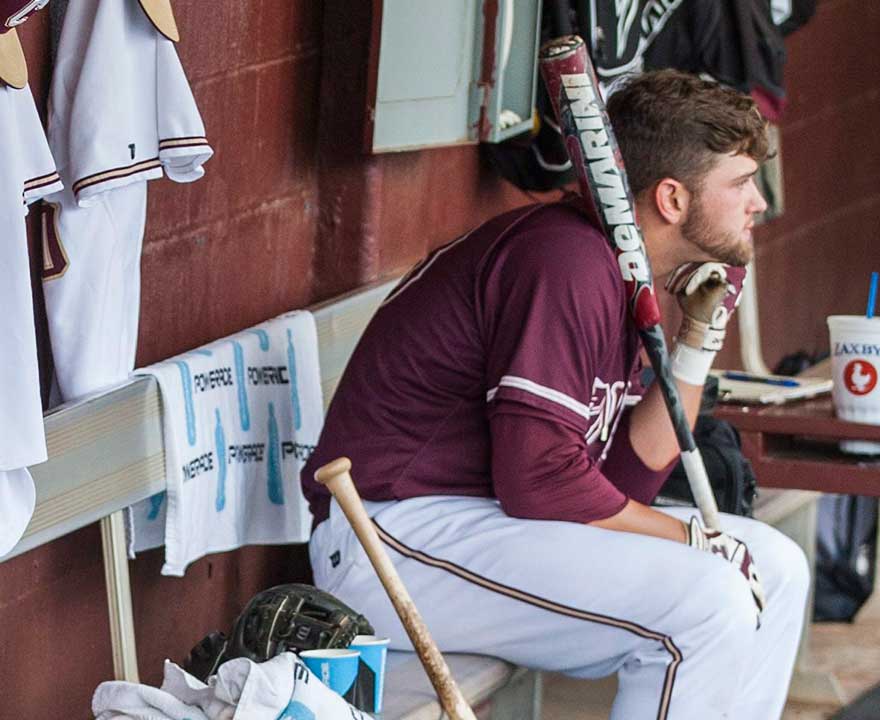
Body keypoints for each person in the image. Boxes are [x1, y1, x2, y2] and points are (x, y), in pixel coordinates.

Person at [301, 69, 810, 719]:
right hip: (390, 534)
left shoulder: (629, 271)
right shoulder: (565, 261)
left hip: (487, 527)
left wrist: (698, 340)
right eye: (740, 183)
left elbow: (620, 484)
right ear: (674, 200)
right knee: (708, 597)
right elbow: (540, 482)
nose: (759, 202)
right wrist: (689, 543)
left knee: (777, 566)